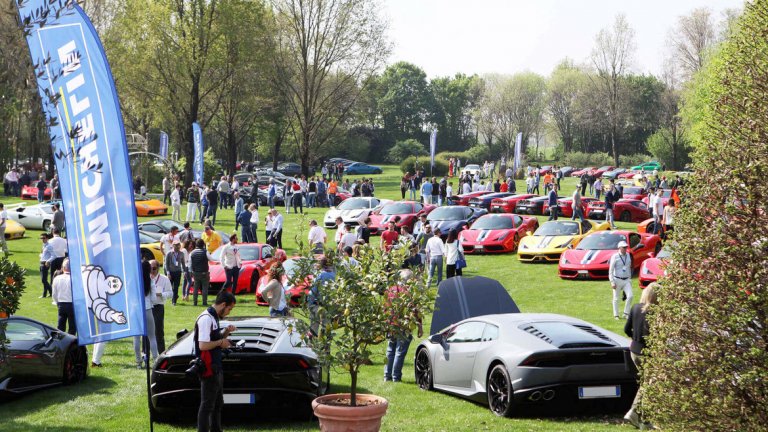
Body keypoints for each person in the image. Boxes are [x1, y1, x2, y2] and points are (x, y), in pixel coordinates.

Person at [195, 291, 237, 432]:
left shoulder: (214, 317)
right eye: (229, 309)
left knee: (218, 404)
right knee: (207, 405)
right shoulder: (206, 318)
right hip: (207, 367)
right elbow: (203, 345)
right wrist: (221, 342)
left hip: (216, 366)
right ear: (223, 305)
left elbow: (213, 339)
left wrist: (225, 332)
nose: (229, 312)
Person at [623, 283, 658, 429]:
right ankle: (634, 413)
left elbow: (626, 329)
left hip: (634, 351)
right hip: (648, 353)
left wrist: (635, 339)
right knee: (648, 384)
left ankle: (644, 421)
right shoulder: (657, 311)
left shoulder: (635, 307)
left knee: (646, 383)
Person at [383, 269, 424, 382]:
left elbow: (385, 308)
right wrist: (420, 326)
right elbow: (415, 311)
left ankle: (387, 376)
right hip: (403, 325)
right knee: (399, 352)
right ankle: (396, 377)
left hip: (391, 324)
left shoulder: (390, 290)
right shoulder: (409, 293)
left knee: (390, 350)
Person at [133, 260, 159, 368]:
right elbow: (154, 299)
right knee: (152, 337)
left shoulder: (134, 280)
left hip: (136, 310)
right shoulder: (150, 280)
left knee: (136, 338)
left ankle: (138, 362)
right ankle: (155, 360)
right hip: (147, 309)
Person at [150, 260, 173, 353]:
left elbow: (171, 293)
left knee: (159, 331)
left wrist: (162, 294)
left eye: (154, 268)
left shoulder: (164, 279)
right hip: (147, 307)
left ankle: (161, 353)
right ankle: (145, 353)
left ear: (158, 268)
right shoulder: (145, 278)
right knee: (146, 332)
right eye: (149, 269)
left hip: (158, 306)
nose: (151, 271)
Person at [609, 240, 633, 319]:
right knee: (616, 298)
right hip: (617, 280)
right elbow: (611, 270)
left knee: (630, 296)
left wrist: (629, 279)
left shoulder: (628, 255)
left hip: (626, 280)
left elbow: (629, 267)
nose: (625, 249)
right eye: (624, 247)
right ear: (619, 248)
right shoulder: (615, 256)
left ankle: (626, 313)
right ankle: (616, 315)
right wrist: (612, 282)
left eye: (626, 247)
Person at [51, 258, 76, 335]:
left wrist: (56, 302)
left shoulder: (57, 278)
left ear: (63, 267)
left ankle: (60, 342)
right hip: (72, 304)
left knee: (60, 326)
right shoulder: (75, 279)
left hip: (61, 304)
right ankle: (71, 342)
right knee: (72, 326)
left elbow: (54, 293)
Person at [191, 239, 212, 306]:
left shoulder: (192, 252)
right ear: (203, 244)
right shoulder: (205, 252)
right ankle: (204, 302)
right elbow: (211, 259)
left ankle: (195, 302)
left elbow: (190, 263)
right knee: (204, 288)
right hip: (204, 272)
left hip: (195, 272)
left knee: (196, 288)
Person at [164, 240, 186, 305]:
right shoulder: (169, 253)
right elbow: (166, 264)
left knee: (176, 287)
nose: (178, 246)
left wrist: (184, 272)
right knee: (170, 287)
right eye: (176, 245)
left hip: (178, 272)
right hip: (170, 272)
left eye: (178, 245)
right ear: (173, 245)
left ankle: (174, 301)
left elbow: (183, 263)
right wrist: (168, 273)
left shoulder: (181, 253)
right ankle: (174, 296)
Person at [39, 233, 56, 298]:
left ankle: (51, 291)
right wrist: (41, 256)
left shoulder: (49, 246)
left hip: (45, 264)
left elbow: (54, 256)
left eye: (44, 238)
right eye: (41, 238)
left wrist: (48, 261)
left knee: (43, 280)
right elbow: (43, 254)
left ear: (47, 238)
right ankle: (44, 294)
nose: (42, 239)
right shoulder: (44, 245)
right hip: (41, 263)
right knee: (44, 280)